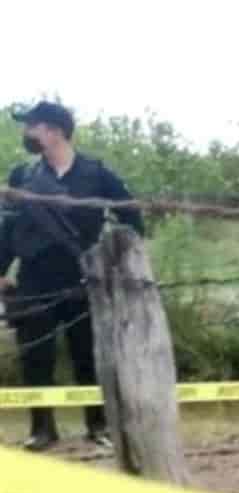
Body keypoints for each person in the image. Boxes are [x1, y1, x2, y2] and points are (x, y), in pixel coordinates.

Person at [0, 101, 142, 451]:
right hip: (34, 279)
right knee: (36, 358)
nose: (27, 134)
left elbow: (132, 216)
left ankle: (97, 426)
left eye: (32, 126)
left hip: (83, 277)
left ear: (55, 130)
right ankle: (42, 430)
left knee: (89, 356)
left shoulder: (96, 174)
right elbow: (8, 229)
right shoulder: (23, 176)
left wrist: (120, 260)